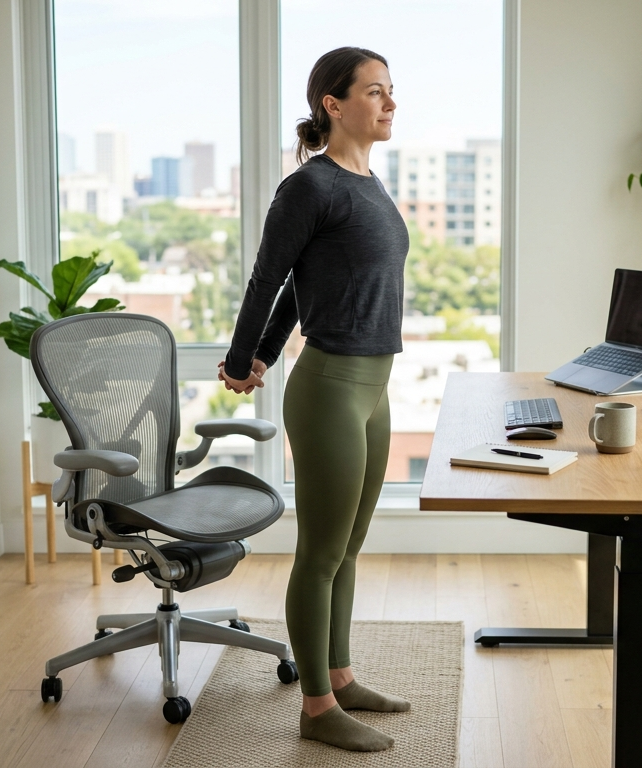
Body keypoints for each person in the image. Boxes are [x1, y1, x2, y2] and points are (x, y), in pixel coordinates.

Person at [218, 46, 410, 752]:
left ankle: (342, 675)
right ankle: (317, 707)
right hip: (330, 386)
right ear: (333, 104)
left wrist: (265, 349)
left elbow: (307, 287)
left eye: (392, 92)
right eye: (375, 92)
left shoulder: (369, 182)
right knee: (322, 551)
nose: (390, 104)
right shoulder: (311, 187)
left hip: (375, 388)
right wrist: (246, 358)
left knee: (352, 545)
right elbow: (268, 278)